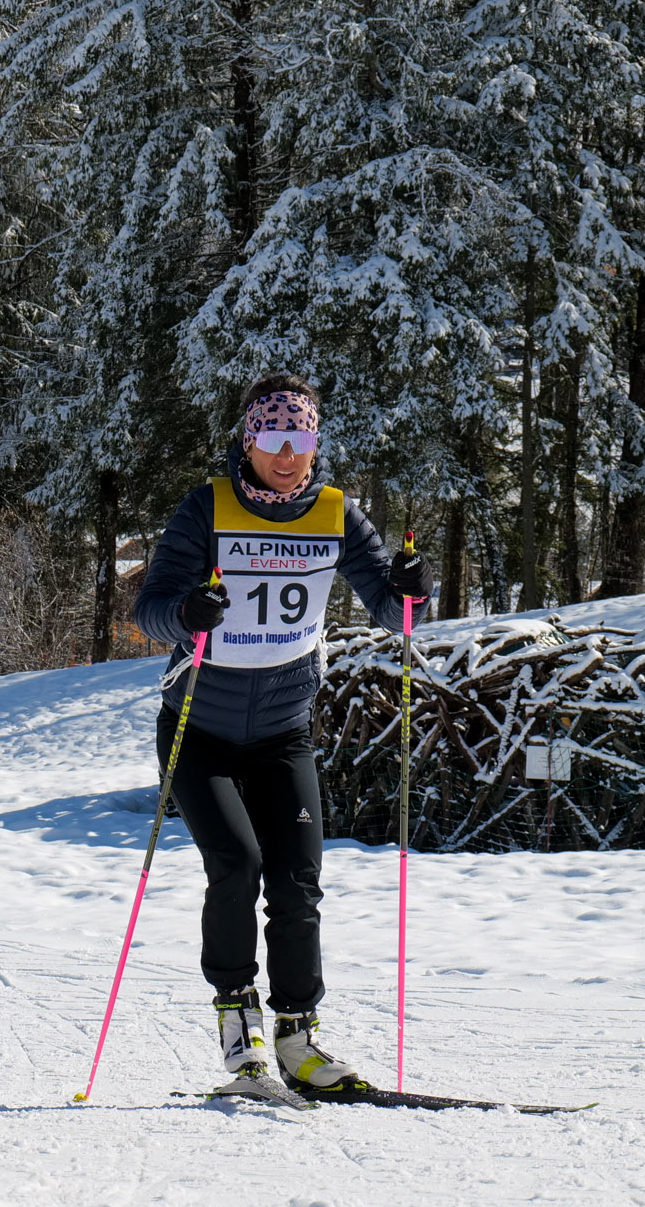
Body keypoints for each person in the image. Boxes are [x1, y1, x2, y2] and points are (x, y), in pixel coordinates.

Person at [132, 373, 430, 1104]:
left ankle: (299, 1037)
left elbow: (397, 614)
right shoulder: (208, 506)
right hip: (199, 729)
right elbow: (150, 608)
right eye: (273, 438)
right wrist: (187, 613)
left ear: (315, 444)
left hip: (281, 732)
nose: (288, 455)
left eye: (301, 438)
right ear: (249, 442)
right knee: (237, 863)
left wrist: (413, 587)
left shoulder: (336, 514)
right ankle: (240, 1029)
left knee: (297, 879)